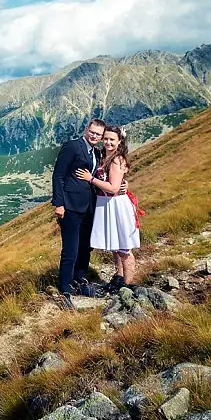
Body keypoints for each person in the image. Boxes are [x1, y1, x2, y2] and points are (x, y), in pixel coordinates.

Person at [76, 124, 142, 291]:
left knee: (124, 248)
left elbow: (113, 187)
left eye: (112, 139)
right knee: (116, 245)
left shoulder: (117, 160)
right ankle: (119, 277)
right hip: (106, 204)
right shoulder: (104, 156)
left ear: (119, 141)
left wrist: (90, 179)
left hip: (115, 205)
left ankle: (128, 286)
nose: (107, 142)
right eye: (105, 138)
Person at [51, 118, 106, 310]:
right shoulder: (72, 147)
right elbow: (58, 175)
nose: (94, 136)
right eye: (92, 132)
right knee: (71, 250)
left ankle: (80, 280)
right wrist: (58, 203)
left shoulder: (97, 152)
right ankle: (65, 289)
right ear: (86, 130)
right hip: (71, 207)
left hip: (89, 207)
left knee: (85, 247)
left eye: (98, 134)